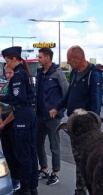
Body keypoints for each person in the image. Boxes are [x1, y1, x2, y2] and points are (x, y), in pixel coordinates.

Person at [49, 45, 103, 195]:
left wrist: (93, 123)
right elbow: (69, 95)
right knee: (79, 160)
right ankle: (81, 193)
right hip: (74, 124)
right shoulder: (74, 73)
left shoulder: (94, 74)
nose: (68, 63)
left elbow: (97, 100)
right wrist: (57, 107)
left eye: (70, 59)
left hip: (88, 125)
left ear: (79, 59)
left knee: (89, 160)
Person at [0, 46, 37, 195]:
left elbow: (18, 98)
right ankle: (32, 186)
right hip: (29, 113)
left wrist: (0, 98)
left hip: (22, 114)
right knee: (31, 151)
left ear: (13, 59)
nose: (7, 65)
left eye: (7, 61)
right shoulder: (24, 74)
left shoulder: (18, 75)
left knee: (23, 152)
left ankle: (25, 189)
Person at [35, 47, 69, 186]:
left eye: (40, 57)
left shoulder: (57, 73)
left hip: (53, 116)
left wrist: (58, 109)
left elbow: (67, 92)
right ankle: (44, 169)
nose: (38, 59)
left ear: (48, 57)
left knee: (54, 145)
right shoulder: (40, 73)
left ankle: (55, 173)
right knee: (38, 143)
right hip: (39, 114)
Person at [0, 65, 21, 192]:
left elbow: (15, 109)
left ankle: (18, 178)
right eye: (7, 73)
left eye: (11, 72)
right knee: (7, 150)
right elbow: (0, 103)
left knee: (15, 151)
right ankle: (11, 175)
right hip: (3, 120)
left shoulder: (16, 88)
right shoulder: (5, 87)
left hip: (12, 121)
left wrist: (4, 123)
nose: (9, 75)